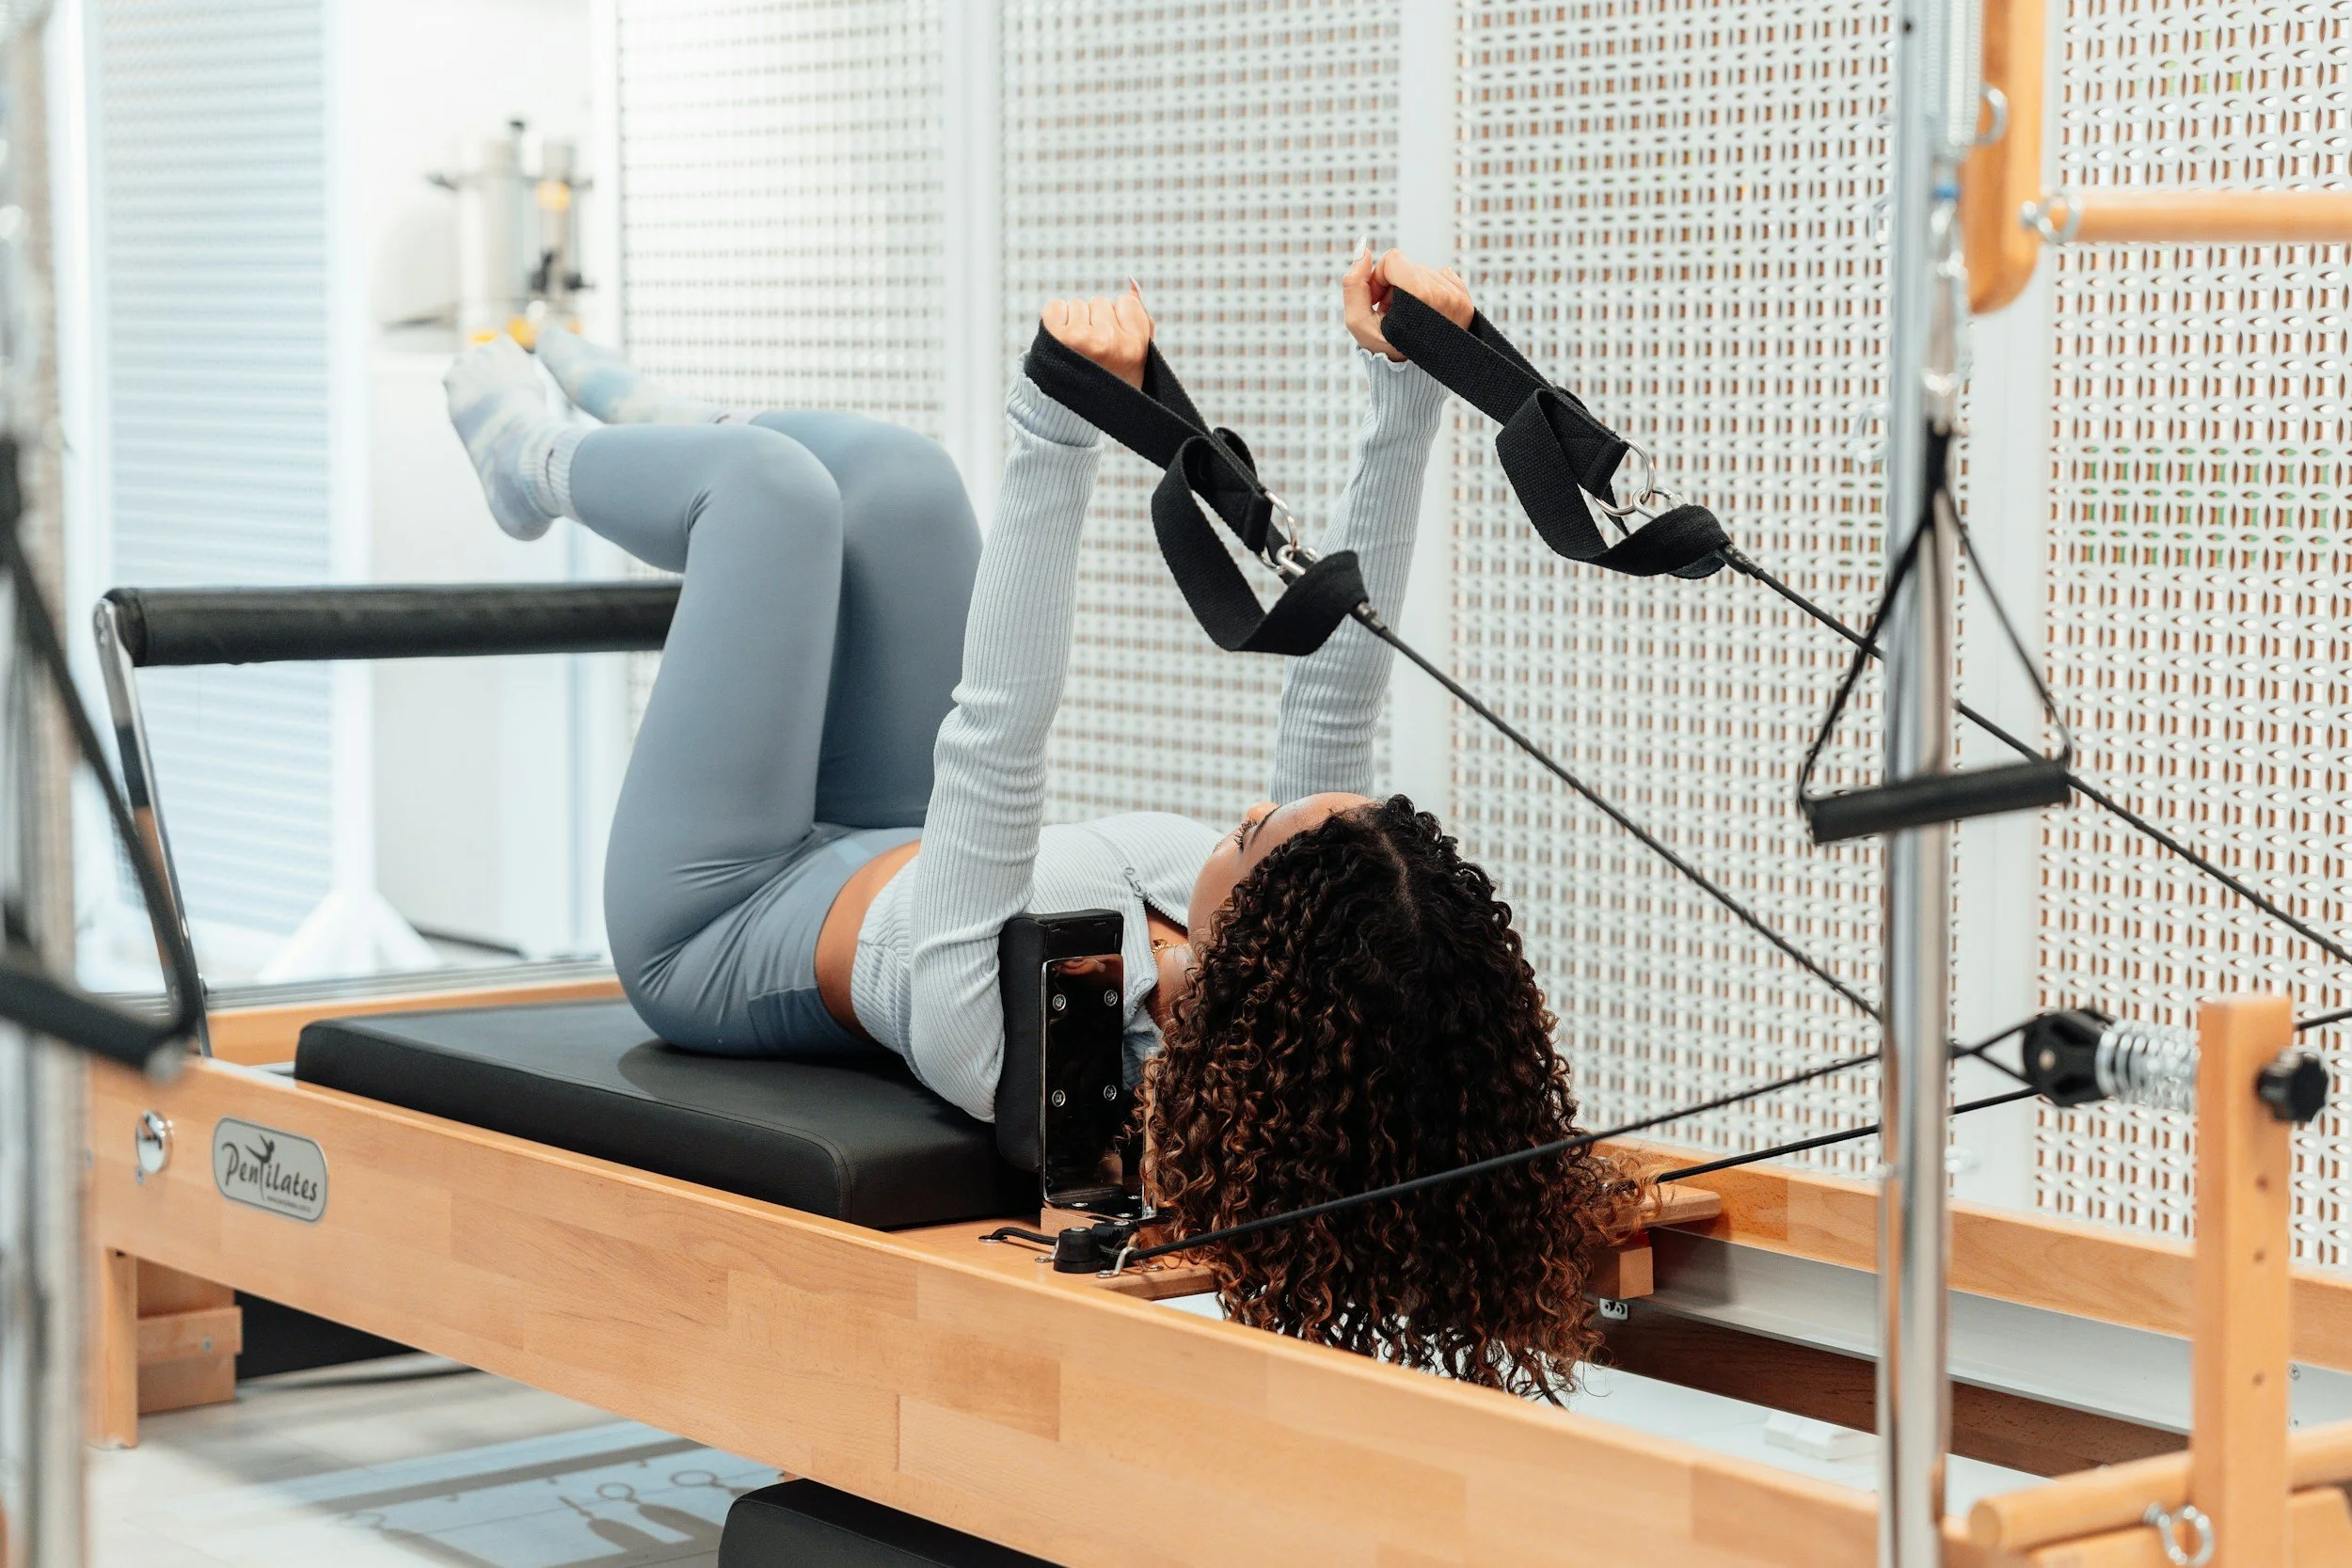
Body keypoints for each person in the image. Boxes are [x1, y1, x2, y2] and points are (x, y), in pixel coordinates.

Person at [444, 250, 1633, 1395]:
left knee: (768, 495)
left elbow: (997, 726)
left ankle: (530, 456)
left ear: (1257, 951)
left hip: (717, 911)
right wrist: (1404, 390)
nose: (1254, 802)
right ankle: (649, 414)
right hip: (887, 830)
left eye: (1257, 830)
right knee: (900, 478)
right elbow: (1337, 675)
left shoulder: (1029, 1039)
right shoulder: (1261, 921)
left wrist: (1055, 430)